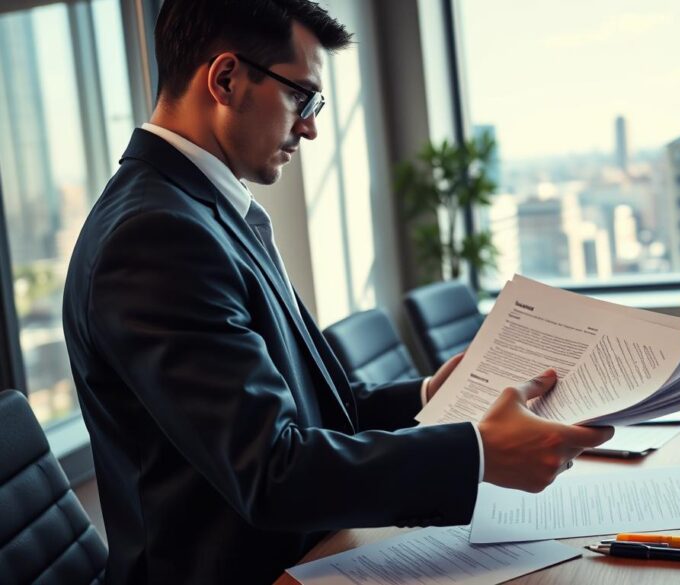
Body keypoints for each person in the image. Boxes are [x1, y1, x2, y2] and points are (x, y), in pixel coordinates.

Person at [61, 1, 613, 583]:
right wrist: (477, 452)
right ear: (225, 79)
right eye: (302, 96)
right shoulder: (156, 236)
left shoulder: (200, 210)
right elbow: (271, 471)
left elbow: (303, 413)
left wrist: (429, 394)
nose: (310, 126)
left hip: (310, 553)